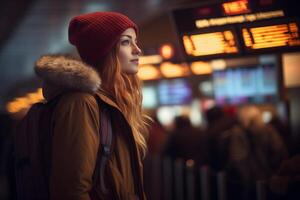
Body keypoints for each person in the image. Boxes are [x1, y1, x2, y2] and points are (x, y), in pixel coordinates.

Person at [34, 12, 149, 200]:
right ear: (104, 50)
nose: (138, 50)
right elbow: (71, 192)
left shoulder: (107, 103)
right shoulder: (81, 103)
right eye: (126, 42)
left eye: (135, 41)